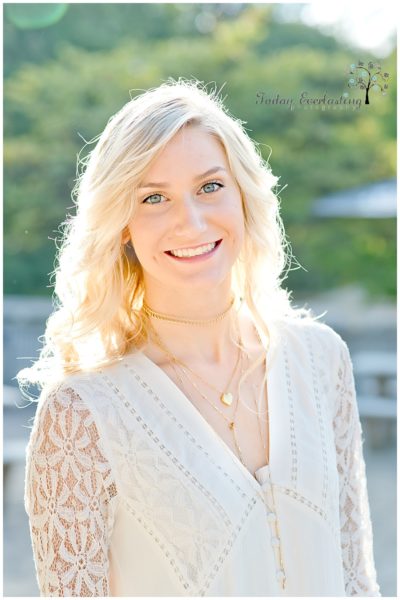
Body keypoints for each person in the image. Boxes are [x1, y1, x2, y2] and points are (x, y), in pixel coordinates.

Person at [19, 78, 381, 597]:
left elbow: (354, 577)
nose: (190, 221)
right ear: (122, 225)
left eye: (210, 187)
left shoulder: (322, 360)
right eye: (153, 198)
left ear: (243, 195)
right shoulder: (81, 415)